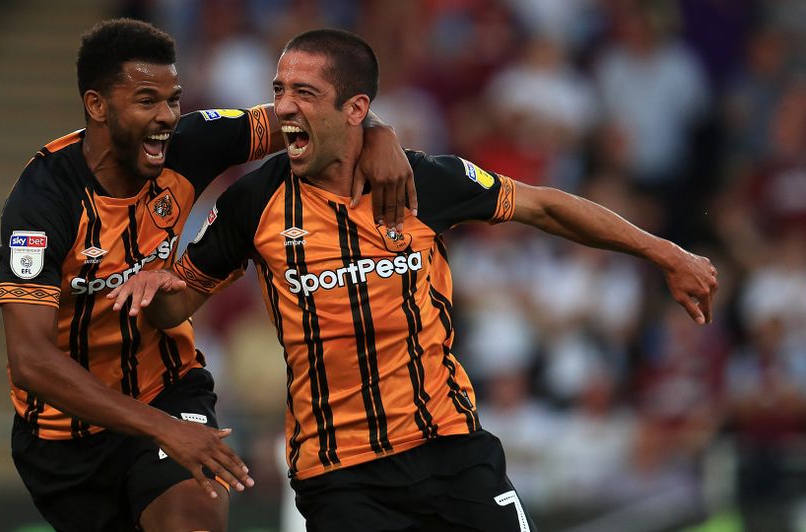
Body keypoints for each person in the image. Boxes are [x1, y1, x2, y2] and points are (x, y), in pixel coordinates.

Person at [109, 28, 719, 531]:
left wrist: (666, 254)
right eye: (278, 90)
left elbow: (544, 206)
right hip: (340, 477)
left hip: (451, 451)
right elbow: (182, 297)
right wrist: (154, 289)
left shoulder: (422, 183)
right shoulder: (254, 201)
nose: (283, 106)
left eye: (304, 92)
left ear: (355, 109)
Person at [0, 19, 413, 532]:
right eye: (147, 100)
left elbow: (303, 117)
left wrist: (376, 132)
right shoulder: (42, 202)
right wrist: (161, 429)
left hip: (168, 390)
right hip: (62, 437)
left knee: (192, 518)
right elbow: (31, 360)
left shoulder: (192, 144)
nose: (167, 117)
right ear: (97, 105)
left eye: (173, 99)